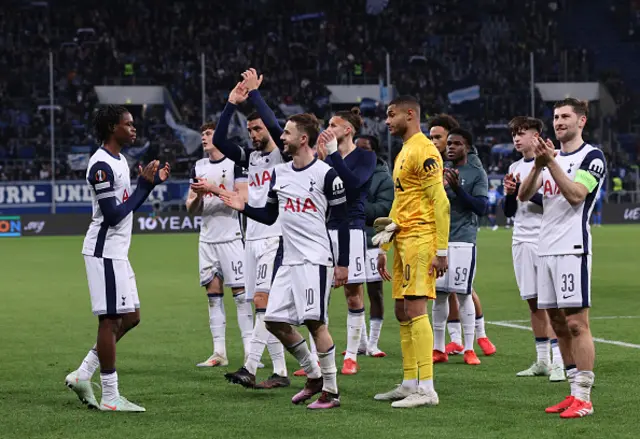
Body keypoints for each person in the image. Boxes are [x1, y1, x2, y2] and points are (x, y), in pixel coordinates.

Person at [221, 113, 349, 410]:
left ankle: (331, 391)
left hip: (315, 259)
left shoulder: (326, 174)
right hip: (289, 260)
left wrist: (342, 263)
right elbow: (269, 215)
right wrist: (244, 207)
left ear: (303, 139)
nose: (282, 137)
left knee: (316, 323)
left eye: (288, 133)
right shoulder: (280, 174)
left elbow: (341, 221)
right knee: (274, 320)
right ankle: (314, 376)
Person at [65, 105, 170, 412]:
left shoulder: (121, 160)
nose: (134, 128)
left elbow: (127, 204)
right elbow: (112, 215)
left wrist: (147, 188)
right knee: (110, 321)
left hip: (118, 253)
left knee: (131, 317)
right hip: (104, 251)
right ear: (113, 127)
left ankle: (83, 373)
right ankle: (110, 395)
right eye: (128, 124)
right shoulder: (100, 165)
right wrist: (144, 187)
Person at [519, 98, 605, 418]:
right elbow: (525, 196)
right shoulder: (550, 159)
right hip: (546, 248)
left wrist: (551, 163)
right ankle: (572, 392)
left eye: (566, 116)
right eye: (555, 117)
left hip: (572, 248)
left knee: (576, 323)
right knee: (556, 323)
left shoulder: (591, 156)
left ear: (581, 121)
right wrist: (540, 165)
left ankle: (585, 397)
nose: (558, 122)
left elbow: (576, 196)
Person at [213, 76, 290, 389]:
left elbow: (273, 123)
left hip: (276, 235)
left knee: (263, 301)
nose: (254, 134)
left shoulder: (284, 156)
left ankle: (250, 366)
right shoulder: (249, 158)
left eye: (258, 129)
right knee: (260, 306)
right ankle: (281, 371)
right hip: (251, 237)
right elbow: (219, 140)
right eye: (251, 129)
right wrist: (232, 104)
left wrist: (255, 94)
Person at [373, 95, 449, 408]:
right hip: (402, 240)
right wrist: (383, 244)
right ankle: (408, 382)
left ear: (409, 114)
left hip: (421, 238)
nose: (387, 121)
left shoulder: (425, 150)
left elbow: (440, 202)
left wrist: (441, 250)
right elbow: (398, 204)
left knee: (416, 308)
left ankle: (427, 389)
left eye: (391, 115)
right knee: (401, 310)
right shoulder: (404, 151)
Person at [185, 122, 254, 369]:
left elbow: (242, 199)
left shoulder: (234, 163)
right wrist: (201, 196)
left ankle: (250, 353)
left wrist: (211, 188)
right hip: (207, 239)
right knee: (213, 296)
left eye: (209, 133)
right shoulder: (199, 167)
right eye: (202, 133)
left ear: (220, 136)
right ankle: (219, 353)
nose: (203, 137)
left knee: (241, 297)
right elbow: (190, 207)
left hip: (231, 237)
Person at [428, 115, 496, 357]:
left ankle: (469, 348)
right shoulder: (436, 170)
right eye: (449, 144)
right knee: (440, 295)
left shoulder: (476, 172)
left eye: (456, 144)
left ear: (466, 147)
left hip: (463, 239)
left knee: (464, 292)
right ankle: (438, 347)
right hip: (439, 240)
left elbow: (481, 208)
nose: (450, 148)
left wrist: (457, 189)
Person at [503, 116, 565, 382]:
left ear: (537, 134)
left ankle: (561, 362)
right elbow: (509, 211)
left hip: (546, 238)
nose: (517, 138)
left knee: (554, 303)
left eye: (522, 132)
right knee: (533, 302)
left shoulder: (554, 161)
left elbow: (555, 200)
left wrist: (524, 191)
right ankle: (542, 361)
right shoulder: (515, 166)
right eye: (514, 134)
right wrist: (509, 195)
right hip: (521, 239)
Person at [315, 108, 376, 375]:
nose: (327, 128)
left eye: (333, 125)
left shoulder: (365, 156)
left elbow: (352, 185)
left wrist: (331, 156)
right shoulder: (323, 158)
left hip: (352, 229)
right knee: (319, 296)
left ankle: (351, 355)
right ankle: (319, 357)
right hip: (323, 230)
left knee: (353, 294)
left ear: (348, 130)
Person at [356, 134, 394, 357]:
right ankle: (360, 343)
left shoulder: (384, 179)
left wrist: (357, 207)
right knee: (354, 291)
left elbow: (385, 212)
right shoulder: (348, 171)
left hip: (373, 240)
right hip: (350, 239)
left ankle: (373, 342)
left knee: (375, 292)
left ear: (374, 152)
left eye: (365, 149)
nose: (359, 153)